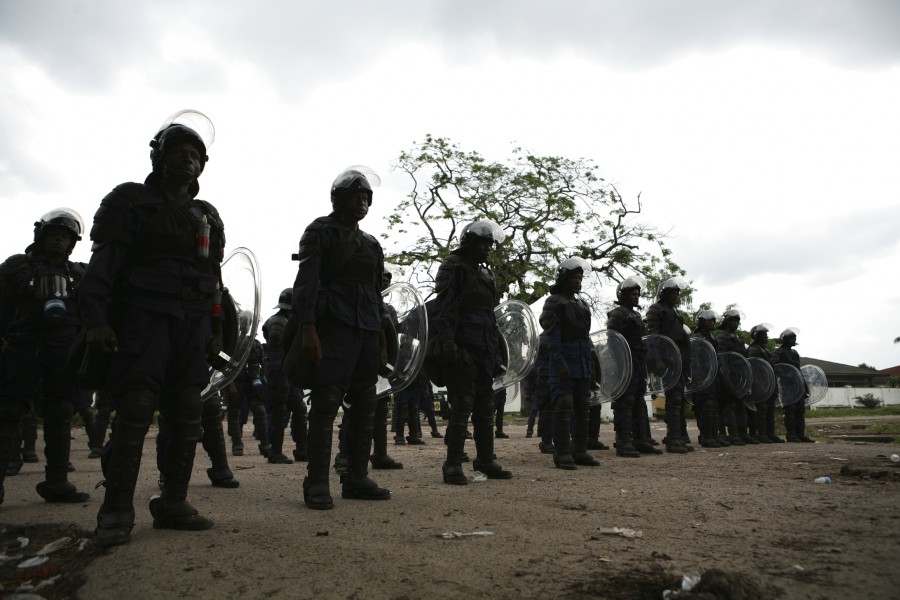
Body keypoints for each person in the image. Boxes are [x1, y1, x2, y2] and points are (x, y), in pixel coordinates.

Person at [79, 110, 222, 547]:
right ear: (159, 156)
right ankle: (117, 509)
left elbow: (215, 277)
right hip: (142, 317)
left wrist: (217, 330)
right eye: (178, 151)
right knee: (137, 407)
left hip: (192, 323)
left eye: (195, 154)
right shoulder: (128, 201)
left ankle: (173, 502)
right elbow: (103, 266)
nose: (187, 160)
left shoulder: (206, 214)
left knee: (186, 412)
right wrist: (96, 321)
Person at [285, 166, 391, 510]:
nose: (362, 202)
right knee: (327, 400)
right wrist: (308, 328)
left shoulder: (372, 244)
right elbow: (307, 282)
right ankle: (316, 481)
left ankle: (357, 477)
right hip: (332, 328)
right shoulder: (320, 231)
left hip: (366, 329)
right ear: (339, 199)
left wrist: (380, 340)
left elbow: (376, 293)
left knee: (365, 404)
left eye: (366, 197)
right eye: (355, 196)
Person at [0, 208, 92, 506]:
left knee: (60, 413)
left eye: (65, 237)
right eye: (54, 234)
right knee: (10, 411)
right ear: (41, 235)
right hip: (23, 346)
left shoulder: (79, 274)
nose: (58, 241)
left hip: (62, 353)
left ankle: (57, 482)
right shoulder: (17, 267)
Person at [430, 219, 512, 484]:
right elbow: (443, 309)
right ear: (470, 242)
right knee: (462, 404)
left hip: (485, 347)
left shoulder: (487, 274)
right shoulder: (453, 266)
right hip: (462, 345)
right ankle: (453, 463)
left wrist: (498, 350)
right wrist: (449, 344)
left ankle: (486, 460)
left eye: (491, 243)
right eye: (484, 243)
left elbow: (492, 315)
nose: (488, 248)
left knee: (485, 406)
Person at [539, 257, 600, 469]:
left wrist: (592, 362)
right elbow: (553, 336)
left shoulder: (581, 304)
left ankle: (580, 450)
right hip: (564, 361)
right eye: (574, 277)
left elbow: (586, 336)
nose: (577, 281)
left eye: (580, 278)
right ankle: (562, 452)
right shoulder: (554, 302)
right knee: (563, 406)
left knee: (583, 407)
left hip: (582, 361)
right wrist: (559, 361)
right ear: (564, 279)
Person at [606, 276, 656, 458]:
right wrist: (621, 363)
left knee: (638, 402)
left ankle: (640, 440)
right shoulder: (618, 314)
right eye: (632, 294)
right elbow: (612, 339)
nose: (636, 297)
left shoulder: (636, 315)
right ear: (623, 295)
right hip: (626, 363)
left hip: (639, 362)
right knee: (625, 402)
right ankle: (624, 442)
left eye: (637, 294)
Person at [645, 277, 693, 454]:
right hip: (666, 359)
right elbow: (653, 336)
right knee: (673, 401)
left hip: (678, 360)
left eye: (677, 293)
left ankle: (679, 437)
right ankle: (673, 440)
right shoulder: (655, 310)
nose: (675, 296)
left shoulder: (675, 312)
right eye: (672, 293)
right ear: (664, 294)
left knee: (678, 401)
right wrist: (656, 359)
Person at [261, 288, 295, 464]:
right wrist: (281, 378)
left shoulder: (280, 320)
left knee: (286, 410)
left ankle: (279, 449)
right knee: (278, 412)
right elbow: (276, 354)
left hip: (280, 371)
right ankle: (275, 451)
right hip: (277, 373)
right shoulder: (279, 323)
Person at [715, 309, 755, 445]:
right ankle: (733, 434)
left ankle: (742, 433)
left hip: (739, 376)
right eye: (733, 321)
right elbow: (722, 358)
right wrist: (726, 378)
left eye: (737, 321)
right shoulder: (722, 336)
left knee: (741, 406)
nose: (736, 324)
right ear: (727, 322)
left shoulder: (737, 338)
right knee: (729, 406)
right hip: (729, 376)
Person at [771, 328, 813, 443]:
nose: (794, 340)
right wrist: (786, 375)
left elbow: (798, 369)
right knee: (790, 410)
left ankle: (800, 434)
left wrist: (804, 386)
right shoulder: (778, 352)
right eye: (791, 338)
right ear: (784, 339)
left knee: (800, 410)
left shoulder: (794, 353)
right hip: (788, 385)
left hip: (798, 384)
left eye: (794, 338)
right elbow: (775, 366)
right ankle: (791, 434)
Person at [691, 310, 725, 447]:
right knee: (705, 406)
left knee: (715, 406)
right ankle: (705, 436)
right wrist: (698, 378)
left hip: (714, 376)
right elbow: (694, 359)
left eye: (712, 320)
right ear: (701, 322)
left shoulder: (713, 338)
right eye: (707, 320)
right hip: (702, 377)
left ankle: (714, 435)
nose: (711, 322)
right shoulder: (697, 338)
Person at [747, 324, 784, 443]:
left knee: (769, 409)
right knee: (761, 409)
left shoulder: (764, 349)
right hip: (759, 383)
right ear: (757, 336)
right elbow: (755, 366)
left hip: (768, 383)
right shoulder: (753, 350)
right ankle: (761, 433)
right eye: (764, 335)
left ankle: (770, 433)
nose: (767, 337)